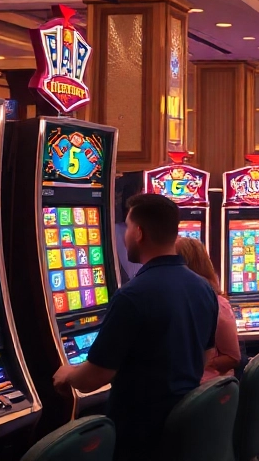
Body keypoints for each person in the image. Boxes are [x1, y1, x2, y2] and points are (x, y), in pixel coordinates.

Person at [52, 194, 217, 461]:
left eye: (127, 227)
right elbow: (206, 355)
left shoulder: (132, 295)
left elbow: (93, 379)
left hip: (139, 433)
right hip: (184, 424)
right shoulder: (202, 287)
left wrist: (67, 374)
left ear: (139, 232)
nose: (125, 235)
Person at [175, 236, 239, 383]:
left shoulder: (216, 303)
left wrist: (201, 363)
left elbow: (233, 358)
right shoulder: (174, 301)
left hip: (209, 390)